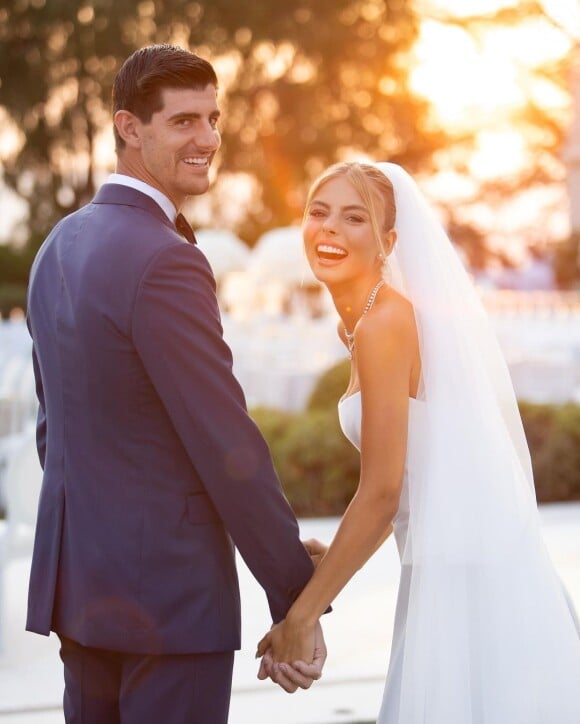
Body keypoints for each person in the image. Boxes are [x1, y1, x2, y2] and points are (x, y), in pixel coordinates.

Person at [25, 44, 325, 724]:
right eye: (185, 121)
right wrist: (296, 596)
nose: (209, 139)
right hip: (170, 599)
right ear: (129, 128)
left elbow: (57, 433)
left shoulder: (58, 245)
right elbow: (225, 441)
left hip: (83, 591)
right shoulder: (165, 259)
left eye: (214, 119)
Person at [257, 161, 580, 722]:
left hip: (471, 583)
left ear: (388, 243)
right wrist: (334, 557)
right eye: (319, 212)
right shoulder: (359, 325)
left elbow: (383, 492)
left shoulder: (386, 325)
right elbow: (418, 484)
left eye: (354, 218)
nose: (329, 228)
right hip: (447, 566)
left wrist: (302, 617)